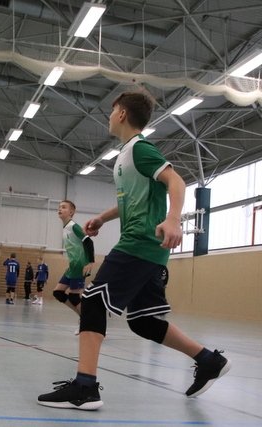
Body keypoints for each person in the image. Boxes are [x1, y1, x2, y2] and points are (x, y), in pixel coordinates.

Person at [37, 92, 230, 410]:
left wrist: (173, 219)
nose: (109, 116)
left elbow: (176, 181)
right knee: (143, 322)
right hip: (147, 250)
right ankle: (208, 360)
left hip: (139, 244)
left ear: (122, 114)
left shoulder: (140, 148)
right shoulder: (125, 156)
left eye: (112, 110)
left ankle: (85, 386)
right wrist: (103, 217)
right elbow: (132, 199)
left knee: (93, 302)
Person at [53, 200, 95, 333]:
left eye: (64, 207)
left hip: (80, 266)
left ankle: (91, 323)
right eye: (59, 207)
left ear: (71, 212)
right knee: (58, 293)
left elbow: (89, 242)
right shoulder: (65, 228)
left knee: (74, 297)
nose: (60, 209)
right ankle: (84, 318)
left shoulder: (73, 226)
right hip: (72, 266)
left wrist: (90, 261)